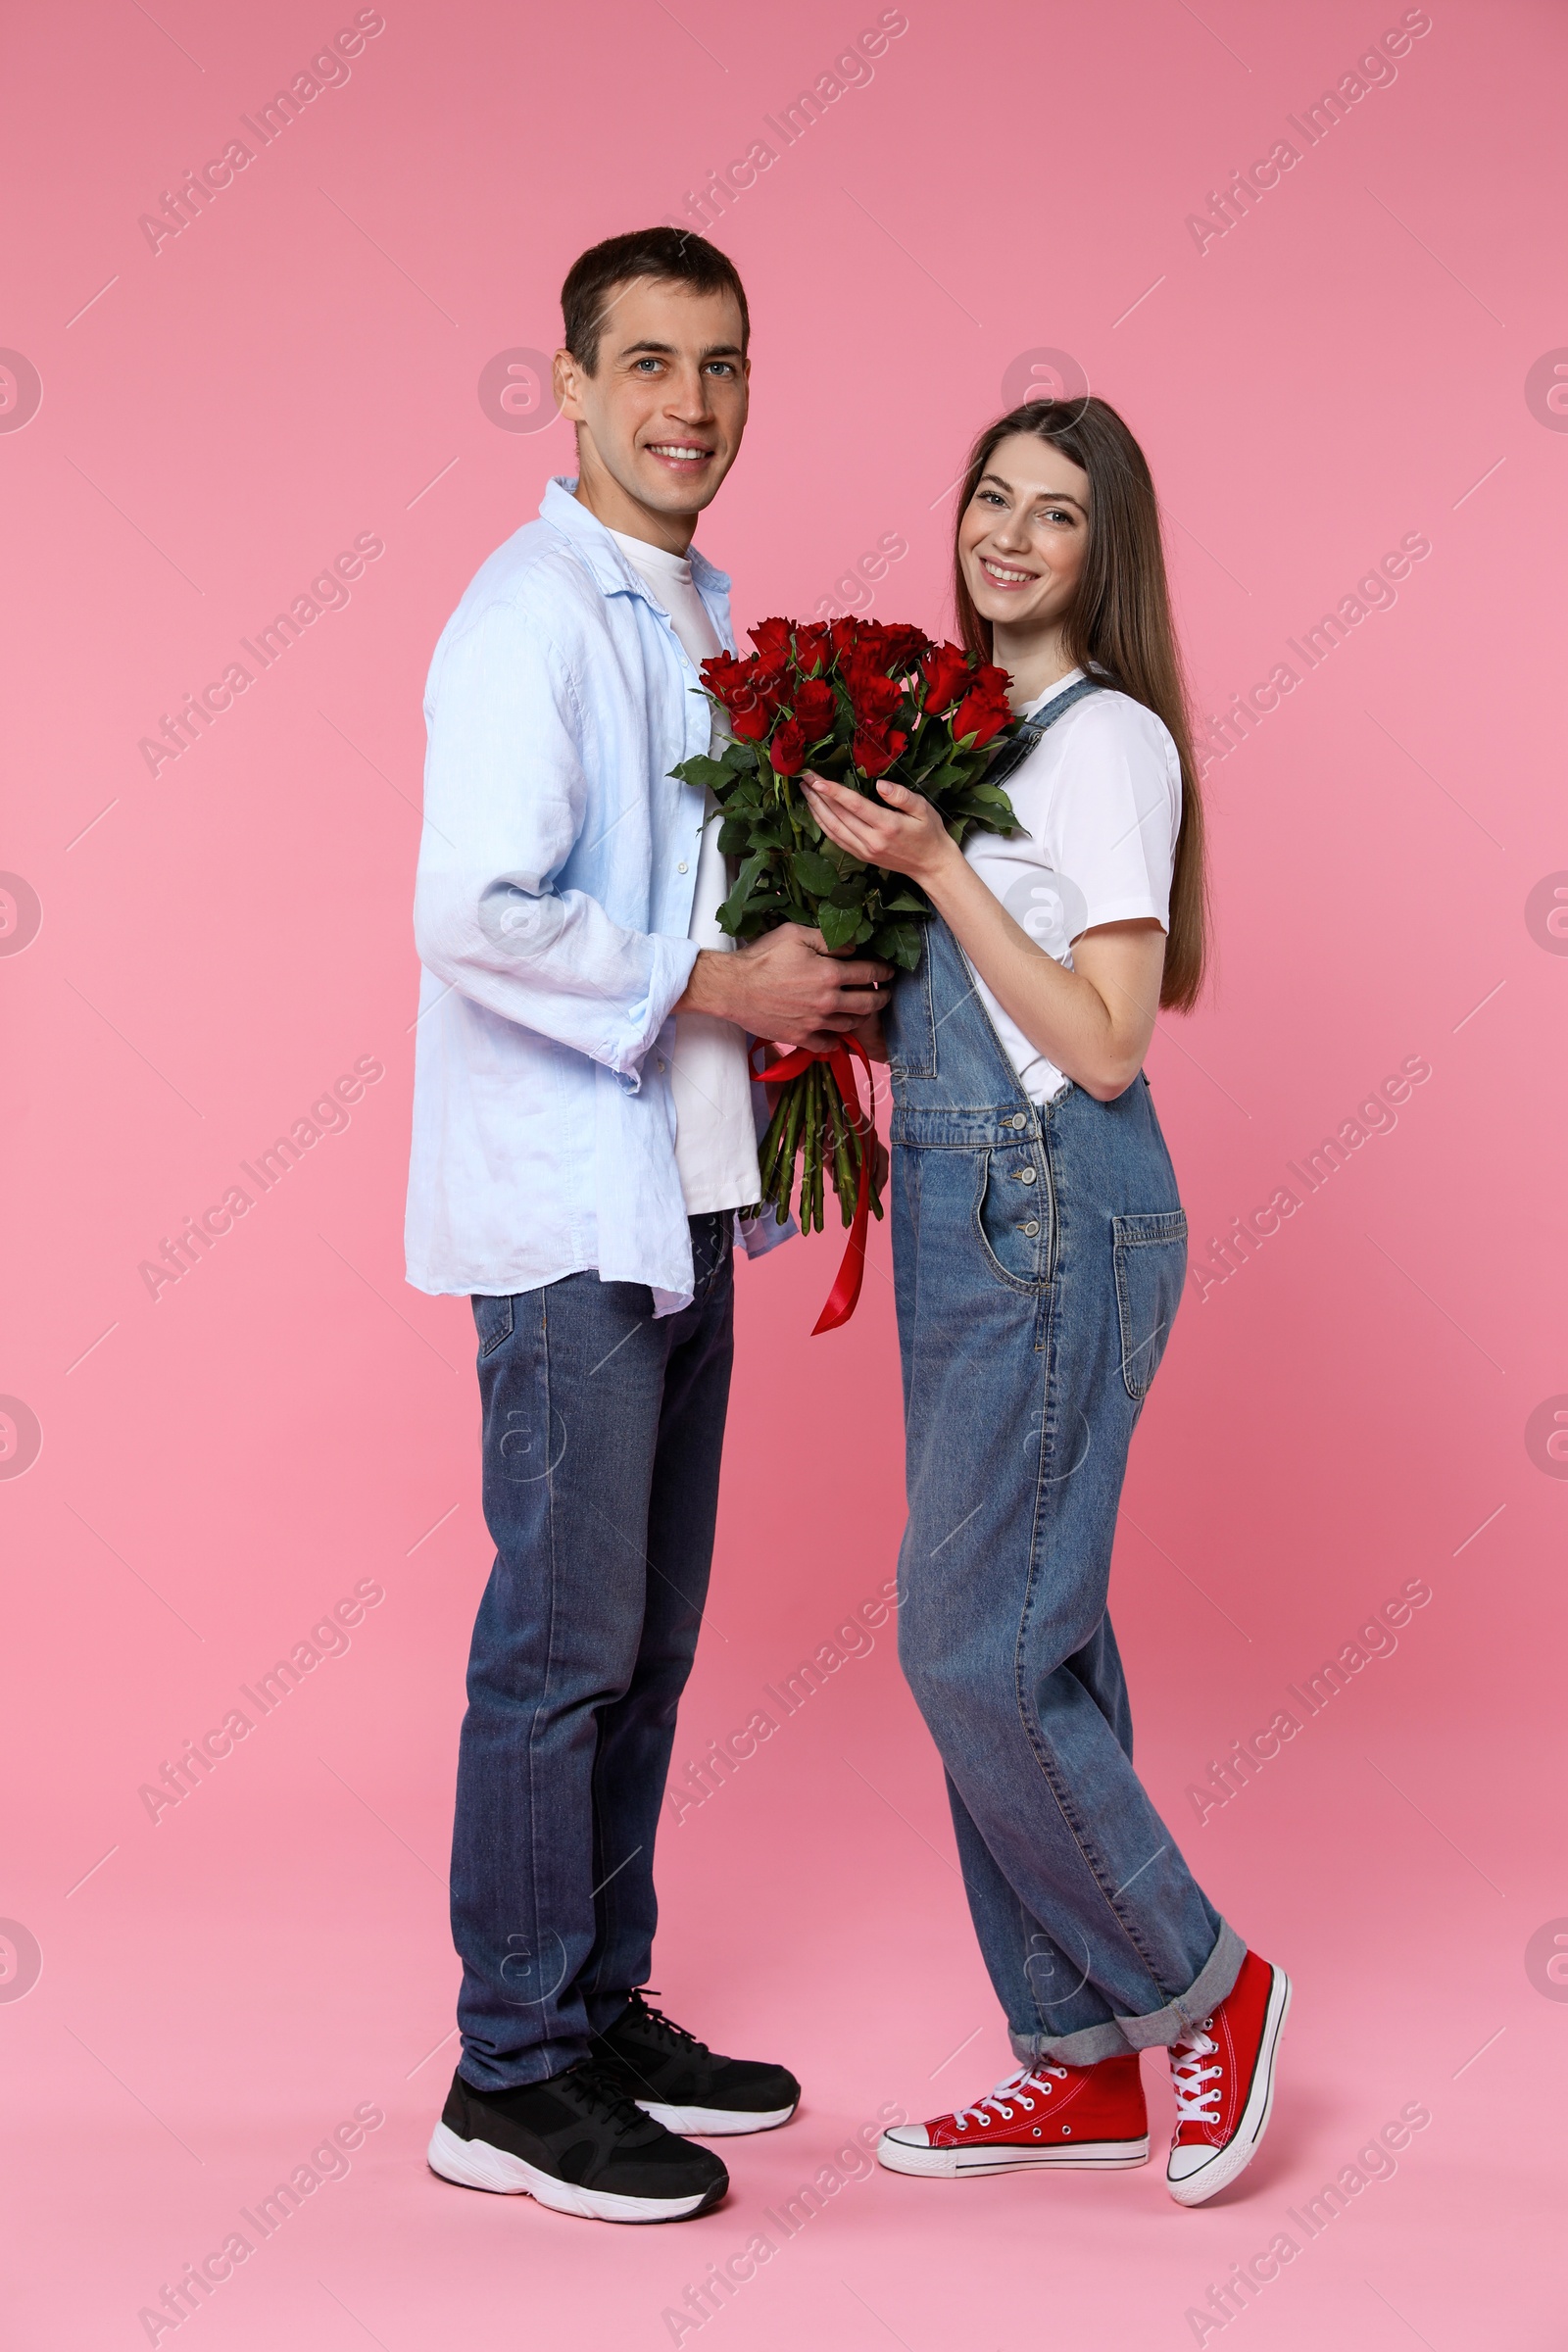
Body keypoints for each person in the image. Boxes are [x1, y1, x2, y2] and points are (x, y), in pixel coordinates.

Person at [405, 226, 891, 2225]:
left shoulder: (696, 611)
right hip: (563, 1215)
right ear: (574, 385)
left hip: (680, 1200)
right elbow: (472, 910)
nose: (690, 405)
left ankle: (596, 2008)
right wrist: (719, 985)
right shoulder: (527, 611)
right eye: (651, 365)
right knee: (557, 1644)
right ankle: (506, 2075)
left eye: (722, 367)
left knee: (647, 1644)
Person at [802, 396, 1289, 2208]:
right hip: (959, 1215)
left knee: (971, 1649)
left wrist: (932, 868)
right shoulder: (966, 727)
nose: (1008, 534)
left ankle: (1206, 1980)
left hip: (1054, 1212)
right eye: (991, 498)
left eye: (1055, 514)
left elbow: (1096, 1044)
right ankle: (1081, 2053)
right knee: (1041, 1638)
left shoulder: (1111, 747)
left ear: (1108, 551)